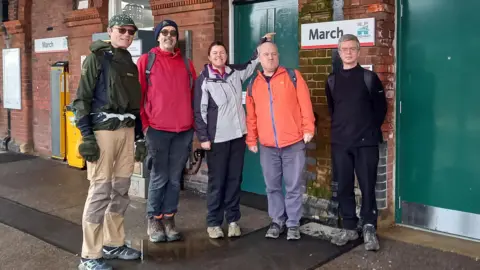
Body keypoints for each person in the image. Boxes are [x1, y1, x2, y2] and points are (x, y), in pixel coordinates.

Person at [72, 14, 146, 270]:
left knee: (121, 190)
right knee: (100, 191)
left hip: (126, 131)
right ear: (110, 30)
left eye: (131, 31)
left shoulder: (128, 62)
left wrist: (138, 136)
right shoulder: (97, 58)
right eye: (121, 30)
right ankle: (89, 256)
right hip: (103, 131)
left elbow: (134, 105)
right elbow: (82, 99)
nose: (126, 34)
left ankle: (113, 243)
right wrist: (87, 136)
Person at [194, 34, 274, 239]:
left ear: (226, 55)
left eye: (222, 52)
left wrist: (263, 42)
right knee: (217, 181)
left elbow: (253, 61)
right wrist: (203, 137)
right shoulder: (204, 79)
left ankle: (232, 221)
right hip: (216, 140)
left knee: (234, 180)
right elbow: (199, 111)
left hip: (237, 137)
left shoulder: (234, 73)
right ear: (210, 57)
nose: (219, 55)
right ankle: (213, 222)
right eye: (215, 53)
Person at [245, 42, 315, 241]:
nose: (270, 57)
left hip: (293, 143)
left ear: (278, 55)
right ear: (259, 58)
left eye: (274, 54)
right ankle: (277, 221)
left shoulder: (293, 77)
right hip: (268, 146)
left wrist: (308, 128)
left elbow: (305, 104)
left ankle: (293, 223)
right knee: (272, 186)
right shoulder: (253, 84)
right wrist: (252, 138)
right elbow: (251, 116)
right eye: (266, 54)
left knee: (293, 185)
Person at [136, 19, 197, 243]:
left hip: (183, 130)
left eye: (173, 32)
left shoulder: (186, 63)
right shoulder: (147, 61)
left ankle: (169, 218)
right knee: (159, 177)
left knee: (174, 179)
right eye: (165, 32)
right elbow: (139, 96)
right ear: (158, 37)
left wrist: (193, 125)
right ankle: (154, 219)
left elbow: (193, 96)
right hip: (158, 130)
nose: (169, 36)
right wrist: (145, 126)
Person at [326, 34, 387, 251]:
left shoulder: (369, 78)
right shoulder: (331, 80)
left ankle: (369, 226)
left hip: (366, 143)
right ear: (339, 52)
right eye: (344, 49)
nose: (349, 52)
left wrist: (368, 130)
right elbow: (332, 109)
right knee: (343, 187)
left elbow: (381, 109)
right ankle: (350, 226)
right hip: (341, 143)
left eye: (353, 48)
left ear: (358, 51)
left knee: (368, 186)